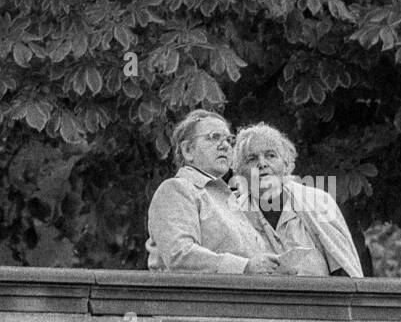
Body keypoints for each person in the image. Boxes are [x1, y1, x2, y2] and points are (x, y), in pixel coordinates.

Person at [146, 110, 280, 274]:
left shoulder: (230, 199)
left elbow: (253, 262)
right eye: (214, 137)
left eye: (229, 140)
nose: (225, 146)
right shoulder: (177, 189)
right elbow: (179, 254)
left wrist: (275, 271)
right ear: (188, 150)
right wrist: (244, 267)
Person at [230, 122, 363, 277]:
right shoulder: (234, 214)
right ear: (239, 171)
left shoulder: (318, 202)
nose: (262, 163)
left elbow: (344, 269)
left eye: (270, 155)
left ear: (286, 163)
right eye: (252, 159)